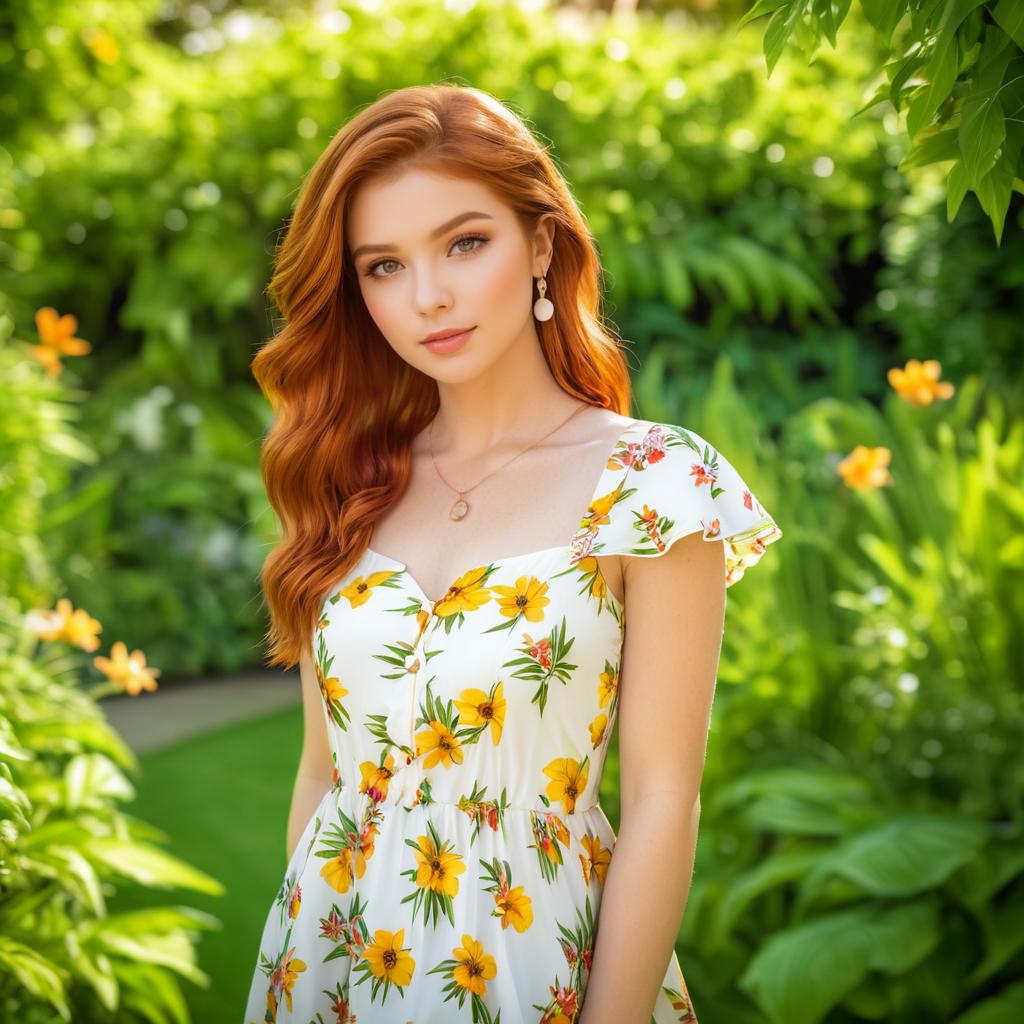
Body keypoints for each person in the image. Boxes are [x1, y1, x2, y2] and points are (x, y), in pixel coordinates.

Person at [243, 82, 782, 1024]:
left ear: (540, 244)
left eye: (464, 243)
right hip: (324, 963)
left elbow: (664, 797)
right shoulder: (349, 483)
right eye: (382, 266)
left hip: (536, 962)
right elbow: (324, 776)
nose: (428, 297)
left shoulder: (652, 481)